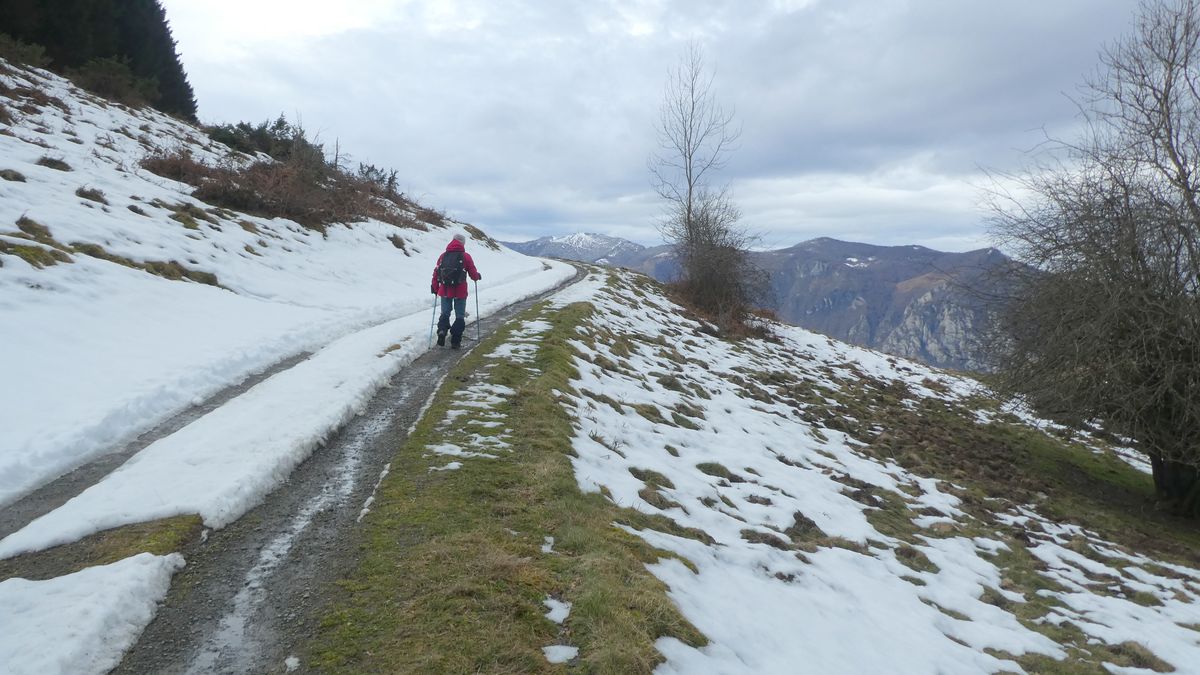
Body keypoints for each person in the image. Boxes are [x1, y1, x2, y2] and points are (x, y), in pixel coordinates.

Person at [431, 233, 481, 349]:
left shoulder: (443, 256)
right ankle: (455, 341)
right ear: (462, 243)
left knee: (445, 313)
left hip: (445, 290)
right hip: (460, 291)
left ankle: (442, 331)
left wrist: (435, 287)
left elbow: (436, 272)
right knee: (459, 316)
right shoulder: (466, 256)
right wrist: (477, 276)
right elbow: (473, 274)